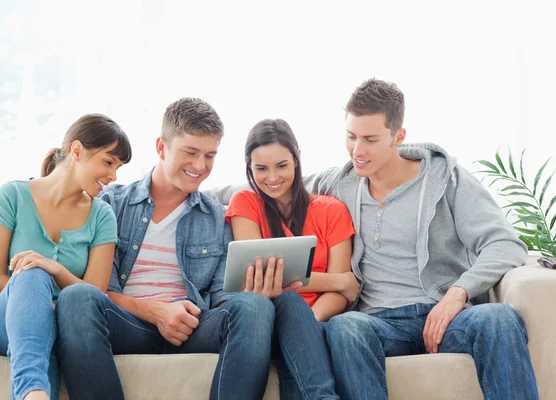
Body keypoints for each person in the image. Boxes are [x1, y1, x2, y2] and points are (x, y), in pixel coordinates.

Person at [209, 79, 539, 400]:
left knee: (500, 318)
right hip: (377, 323)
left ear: (399, 137)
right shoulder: (341, 181)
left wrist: (456, 295)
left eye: (370, 139)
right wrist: (188, 190)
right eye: (351, 136)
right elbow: (272, 183)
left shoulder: (446, 179)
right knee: (345, 328)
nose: (357, 150)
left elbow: (505, 244)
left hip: (445, 313)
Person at [55, 98, 337, 400]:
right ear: (161, 147)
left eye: (210, 155)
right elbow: (100, 291)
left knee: (254, 306)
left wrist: (258, 292)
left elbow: (223, 299)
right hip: (127, 323)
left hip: (191, 326)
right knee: (77, 298)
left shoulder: (217, 218)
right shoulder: (111, 204)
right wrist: (157, 312)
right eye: (190, 152)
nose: (200, 166)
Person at [0, 114, 132, 400]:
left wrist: (55, 269)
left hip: (66, 327)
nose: (114, 176)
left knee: (42, 331)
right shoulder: (11, 196)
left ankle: (33, 394)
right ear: (76, 151)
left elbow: (93, 293)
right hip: (6, 321)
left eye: (118, 167)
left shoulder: (102, 216)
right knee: (32, 273)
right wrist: (37, 301)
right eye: (108, 162)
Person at [225, 118, 360, 398]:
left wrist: (307, 322)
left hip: (318, 319)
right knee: (286, 300)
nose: (272, 178)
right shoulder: (245, 203)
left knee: (293, 310)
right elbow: (262, 277)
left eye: (281, 166)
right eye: (261, 168)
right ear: (249, 166)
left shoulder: (331, 210)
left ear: (297, 159)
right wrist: (336, 280)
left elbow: (340, 296)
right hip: (265, 324)